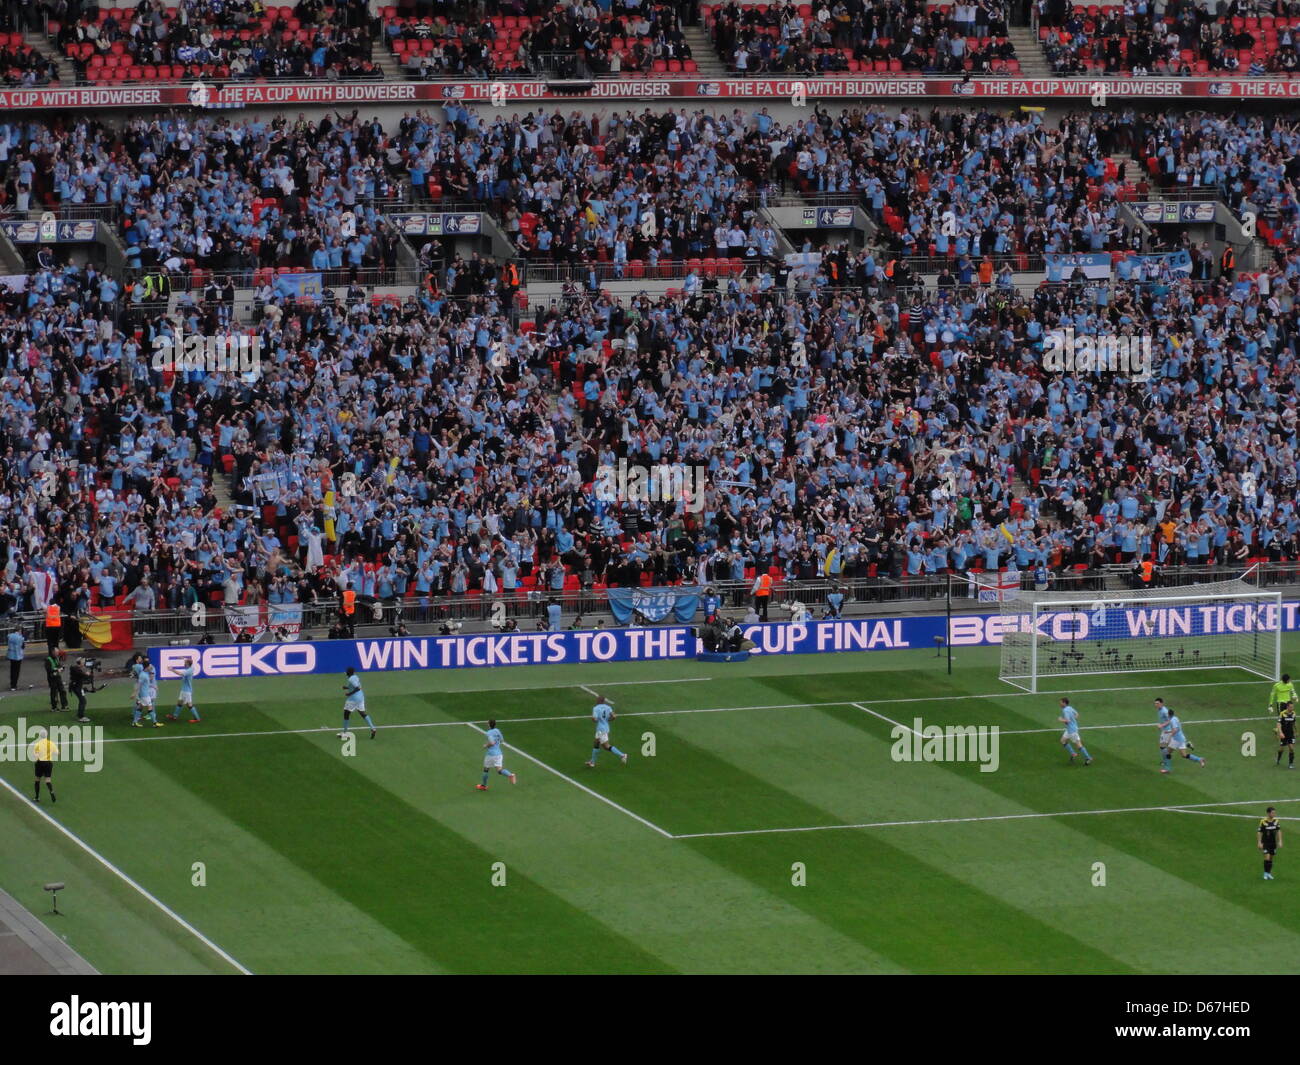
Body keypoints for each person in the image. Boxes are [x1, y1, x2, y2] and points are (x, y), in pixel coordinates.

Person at [585, 695, 627, 767]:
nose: (596, 701)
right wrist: (608, 720)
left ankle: (622, 755)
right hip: (606, 727)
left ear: (599, 701)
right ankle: (592, 762)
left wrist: (593, 719)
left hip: (601, 729)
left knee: (606, 746)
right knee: (596, 743)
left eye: (597, 700)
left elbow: (594, 719)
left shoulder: (596, 708)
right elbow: (614, 716)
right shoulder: (608, 707)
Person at [476, 718, 517, 790]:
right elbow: (502, 740)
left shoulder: (488, 732)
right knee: (499, 770)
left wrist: (486, 745)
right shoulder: (497, 730)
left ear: (489, 724)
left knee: (486, 769)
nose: (486, 723)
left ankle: (483, 786)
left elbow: (492, 742)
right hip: (499, 754)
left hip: (491, 754)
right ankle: (510, 775)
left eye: (487, 723)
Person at [339, 667, 376, 738]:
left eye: (347, 671)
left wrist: (349, 694)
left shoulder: (351, 679)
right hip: (361, 697)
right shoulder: (356, 677)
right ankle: (372, 728)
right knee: (362, 713)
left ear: (348, 673)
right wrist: (346, 687)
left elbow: (357, 688)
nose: (346, 672)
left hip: (353, 699)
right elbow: (357, 686)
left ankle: (344, 733)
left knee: (346, 713)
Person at [1058, 698, 1093, 765]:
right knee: (1062, 740)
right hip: (1069, 729)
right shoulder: (1070, 708)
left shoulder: (1065, 710)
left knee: (1079, 745)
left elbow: (1067, 721)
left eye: (1061, 702)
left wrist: (1061, 719)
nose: (1060, 704)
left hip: (1072, 731)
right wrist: (1073, 720)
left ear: (1064, 703)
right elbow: (1077, 714)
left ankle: (1088, 757)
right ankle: (1073, 753)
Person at [167, 657, 202, 723]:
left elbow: (180, 674)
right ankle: (175, 716)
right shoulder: (191, 667)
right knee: (179, 703)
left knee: (189, 705)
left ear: (188, 664)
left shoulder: (189, 671)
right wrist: (183, 658)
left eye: (185, 663)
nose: (184, 664)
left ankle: (197, 718)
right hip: (184, 690)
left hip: (187, 691)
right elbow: (188, 660)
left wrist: (172, 670)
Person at [132, 663, 164, 728]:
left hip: (144, 694)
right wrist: (134, 693)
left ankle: (134, 722)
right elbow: (139, 685)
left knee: (140, 708)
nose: (151, 667)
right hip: (144, 695)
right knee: (150, 708)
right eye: (150, 666)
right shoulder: (143, 675)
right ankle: (155, 723)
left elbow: (146, 683)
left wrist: (153, 686)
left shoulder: (145, 674)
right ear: (146, 667)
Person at [30, 726, 56, 804]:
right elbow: (57, 753)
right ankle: (51, 791)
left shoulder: (37, 744)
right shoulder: (51, 743)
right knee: (48, 780)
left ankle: (37, 797)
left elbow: (35, 755)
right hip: (48, 763)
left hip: (40, 763)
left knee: (37, 779)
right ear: (47, 735)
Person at [1259, 807, 1282, 880]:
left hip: (1273, 843)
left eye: (1274, 812)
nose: (1274, 814)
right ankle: (1265, 874)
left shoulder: (1276, 821)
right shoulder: (1263, 821)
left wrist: (1280, 841)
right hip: (1265, 843)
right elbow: (1259, 832)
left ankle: (1268, 873)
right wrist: (1259, 842)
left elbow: (1278, 831)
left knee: (1271, 858)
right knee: (1267, 857)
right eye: (1272, 813)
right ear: (1268, 813)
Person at [69, 657, 92, 723]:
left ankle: (80, 715)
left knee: (82, 700)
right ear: (80, 662)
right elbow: (82, 675)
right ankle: (81, 717)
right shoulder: (76, 669)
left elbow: (81, 677)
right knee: (83, 701)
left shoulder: (76, 668)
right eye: (83, 662)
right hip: (76, 687)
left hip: (77, 687)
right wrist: (87, 674)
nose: (84, 663)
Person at [44, 647, 68, 713]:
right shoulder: (48, 659)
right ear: (53, 652)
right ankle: (54, 707)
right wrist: (57, 669)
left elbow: (59, 665)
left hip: (58, 677)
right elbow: (48, 669)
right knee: (54, 692)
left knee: (62, 691)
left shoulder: (56, 658)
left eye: (58, 652)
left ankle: (64, 706)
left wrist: (62, 668)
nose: (58, 653)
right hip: (52, 678)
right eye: (57, 652)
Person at [1277, 703, 1296, 769]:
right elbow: (1278, 724)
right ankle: (1278, 759)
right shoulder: (1282, 713)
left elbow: (1293, 723)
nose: (1292, 708)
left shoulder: (1293, 713)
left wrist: (1296, 731)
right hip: (1284, 734)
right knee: (1281, 749)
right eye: (1291, 707)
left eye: (1292, 707)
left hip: (1291, 734)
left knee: (1291, 748)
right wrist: (1281, 733)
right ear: (1287, 707)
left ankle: (1290, 764)